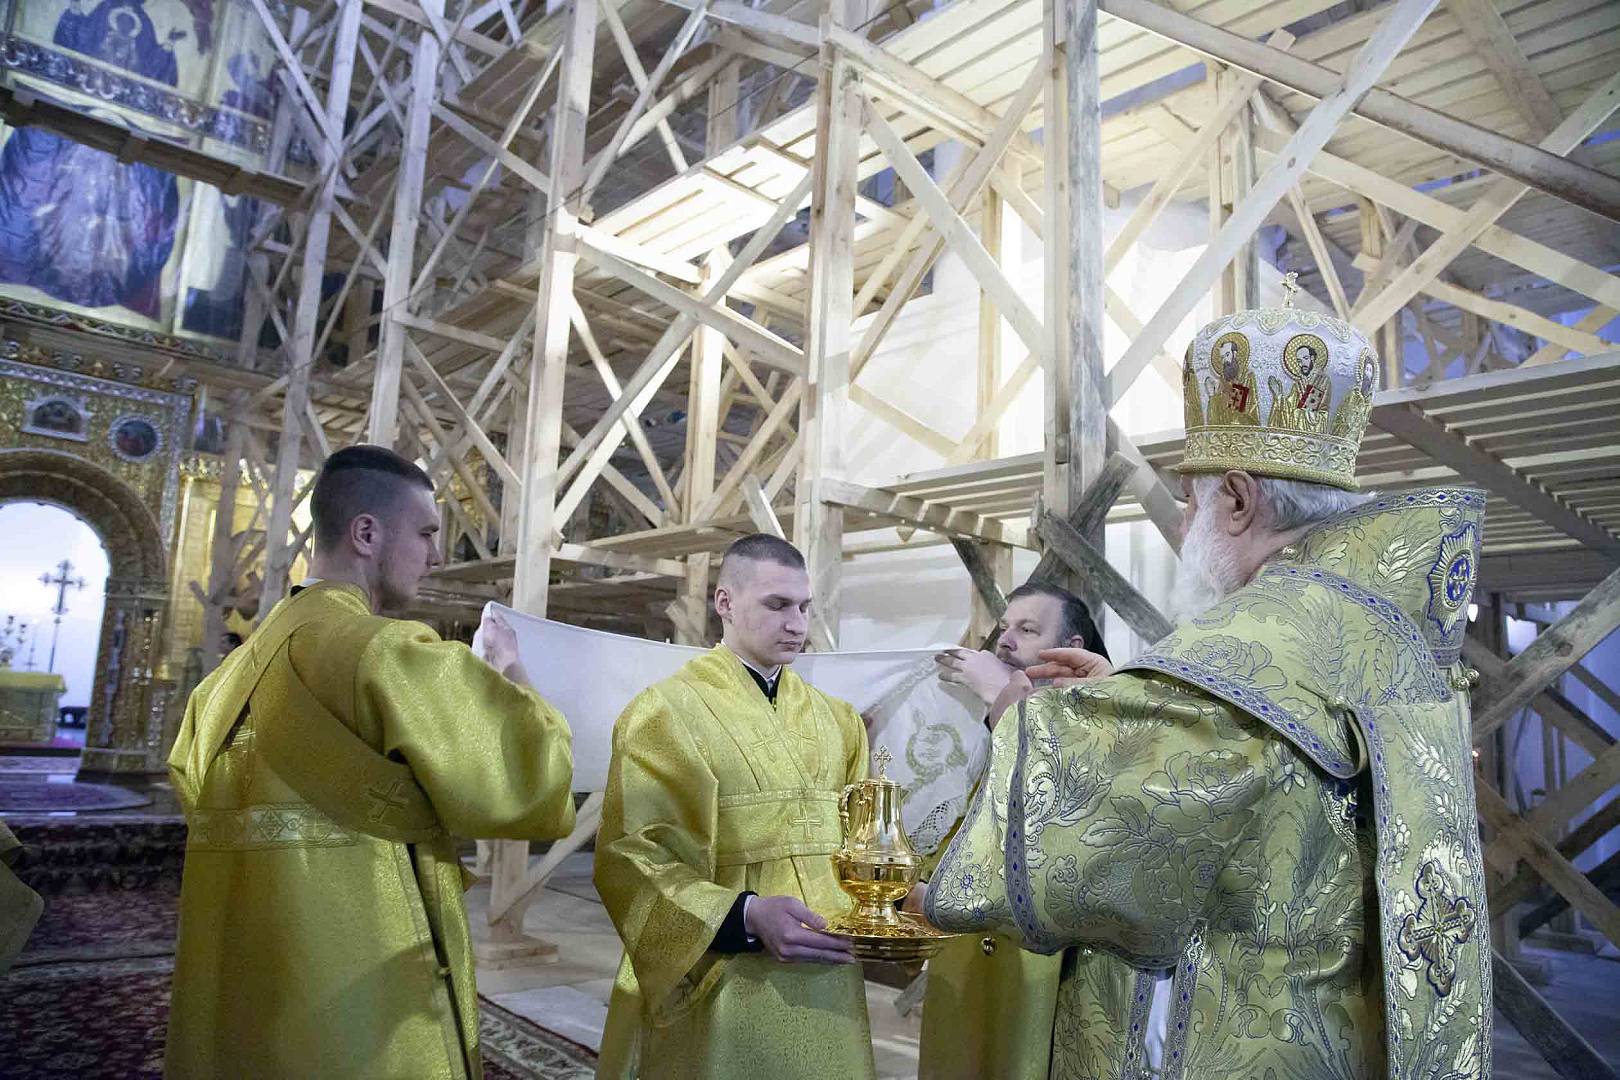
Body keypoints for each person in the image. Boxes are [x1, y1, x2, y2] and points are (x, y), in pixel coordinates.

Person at [926, 302, 1492, 1079]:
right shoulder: (1382, 633)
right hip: (1337, 1036)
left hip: (1221, 1033)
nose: (1186, 519)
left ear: (1237, 497)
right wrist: (1135, 697)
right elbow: (1253, 778)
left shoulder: (1244, 643)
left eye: (1190, 500)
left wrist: (1010, 703)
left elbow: (1106, 843)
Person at [166, 445, 577, 1079]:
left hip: (236, 986)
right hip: (358, 993)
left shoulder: (221, 682)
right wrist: (508, 672)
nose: (436, 556)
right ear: (366, 533)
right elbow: (530, 778)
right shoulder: (385, 653)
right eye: (426, 533)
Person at [594, 533, 874, 1079]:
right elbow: (631, 856)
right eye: (777, 605)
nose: (796, 624)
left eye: (804, 607)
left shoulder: (839, 720)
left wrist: (896, 894)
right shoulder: (665, 712)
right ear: (725, 602)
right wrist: (744, 916)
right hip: (721, 969)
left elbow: (862, 840)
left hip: (828, 967)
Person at [916, 582, 1108, 1080]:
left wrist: (999, 697)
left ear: (1071, 648)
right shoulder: (969, 710)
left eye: (1027, 629)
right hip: (965, 935)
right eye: (1004, 627)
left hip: (1043, 952)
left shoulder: (1096, 721)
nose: (1005, 640)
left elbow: (1053, 808)